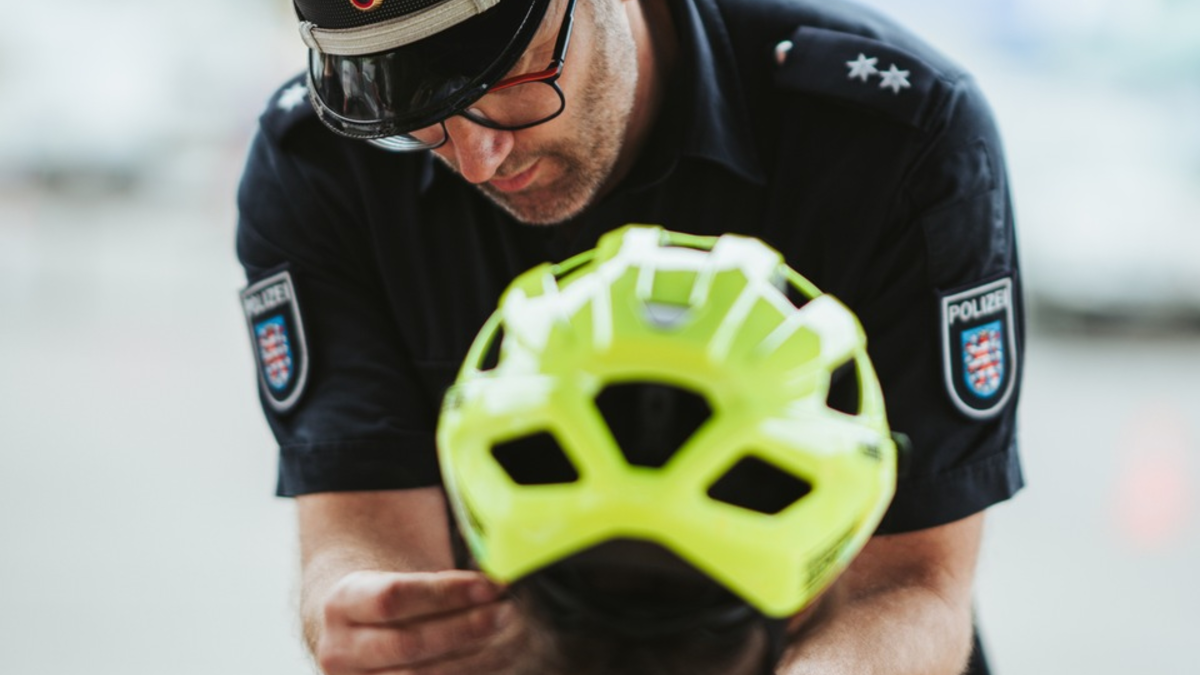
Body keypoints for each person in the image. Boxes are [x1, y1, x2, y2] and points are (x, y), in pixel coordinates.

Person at [235, 0, 1024, 672]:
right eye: (409, 108)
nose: (476, 158)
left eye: (507, 73)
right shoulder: (321, 164)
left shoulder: (894, 135)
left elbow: (912, 583)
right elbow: (360, 525)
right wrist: (380, 619)